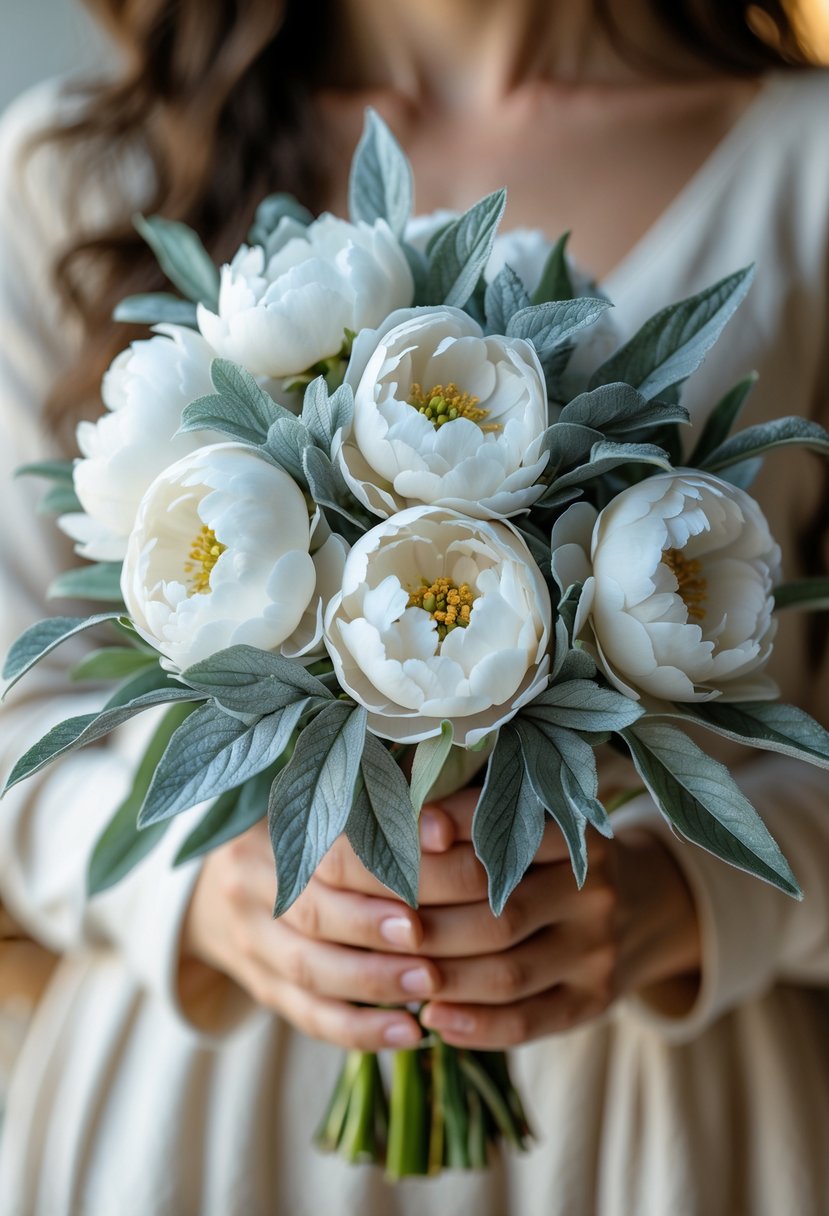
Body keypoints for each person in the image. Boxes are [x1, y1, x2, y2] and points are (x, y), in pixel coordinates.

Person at [0, 1, 828, 1212]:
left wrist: (687, 903)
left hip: (651, 1132)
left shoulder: (803, 168)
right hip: (194, 1125)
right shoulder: (76, 173)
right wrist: (205, 895)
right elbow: (16, 719)